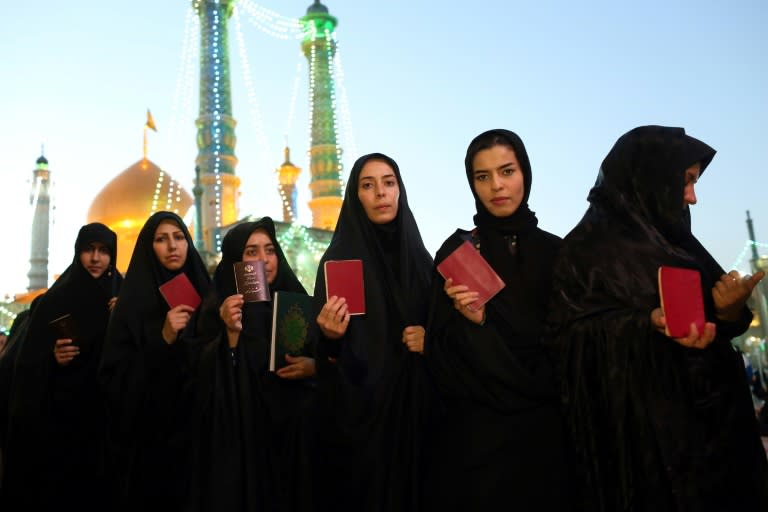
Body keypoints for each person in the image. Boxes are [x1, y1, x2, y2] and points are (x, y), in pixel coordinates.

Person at [547, 125, 768, 511]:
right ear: (648, 176)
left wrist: (728, 309)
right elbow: (565, 343)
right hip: (641, 455)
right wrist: (643, 324)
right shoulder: (584, 253)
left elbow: (714, 325)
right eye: (685, 181)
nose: (692, 198)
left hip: (715, 447)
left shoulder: (679, 243)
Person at [422, 129, 570, 510]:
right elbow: (438, 355)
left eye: (507, 171)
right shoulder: (458, 252)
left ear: (526, 173)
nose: (496, 186)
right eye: (482, 176)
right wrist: (475, 324)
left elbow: (573, 345)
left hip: (549, 440)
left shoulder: (560, 254)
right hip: (481, 443)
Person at [312, 153, 434, 511]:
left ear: (400, 190)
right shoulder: (338, 263)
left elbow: (448, 336)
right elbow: (326, 363)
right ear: (355, 196)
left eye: (389, 182)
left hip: (422, 421)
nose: (381, 192)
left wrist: (432, 340)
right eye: (368, 185)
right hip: (363, 430)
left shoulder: (422, 263)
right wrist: (330, 339)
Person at [189, 217, 315, 511]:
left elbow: (328, 363)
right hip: (243, 444)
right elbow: (198, 384)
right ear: (235, 261)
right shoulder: (213, 312)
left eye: (270, 250)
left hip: (293, 444)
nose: (264, 261)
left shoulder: (295, 301)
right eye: (251, 252)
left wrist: (314, 366)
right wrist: (230, 336)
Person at [3, 223, 122, 510]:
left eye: (104, 251)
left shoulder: (124, 295)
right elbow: (27, 361)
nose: (95, 259)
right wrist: (52, 357)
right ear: (77, 253)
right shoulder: (56, 299)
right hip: (65, 419)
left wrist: (122, 317)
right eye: (88, 250)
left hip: (109, 417)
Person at [99, 211, 210, 511]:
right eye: (161, 239)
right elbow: (114, 381)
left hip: (204, 440)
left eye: (179, 237)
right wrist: (162, 339)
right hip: (153, 447)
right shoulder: (132, 307)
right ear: (149, 247)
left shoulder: (208, 296)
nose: (172, 246)